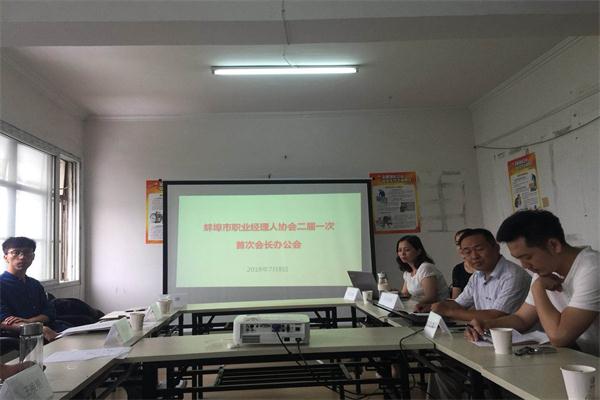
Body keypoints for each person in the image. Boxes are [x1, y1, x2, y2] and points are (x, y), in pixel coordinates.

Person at [467, 210, 599, 356]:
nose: (524, 265)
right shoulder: (545, 269)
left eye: (528, 257)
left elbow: (559, 337)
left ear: (554, 245)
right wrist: (486, 325)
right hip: (584, 358)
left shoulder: (592, 268)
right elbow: (522, 319)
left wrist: (538, 287)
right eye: (519, 259)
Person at [425, 228, 531, 319]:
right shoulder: (477, 276)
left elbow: (496, 315)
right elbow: (459, 304)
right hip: (487, 332)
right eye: (467, 252)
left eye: (479, 249)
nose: (474, 256)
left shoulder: (513, 276)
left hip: (518, 335)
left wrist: (448, 312)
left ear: (496, 248)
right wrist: (431, 307)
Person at [1, 237, 63, 339]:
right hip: (19, 337)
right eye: (15, 252)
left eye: (26, 252)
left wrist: (29, 321)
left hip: (49, 329)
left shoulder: (35, 284)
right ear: (5, 257)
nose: (22, 257)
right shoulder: (2, 284)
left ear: (33, 257)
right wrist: (38, 328)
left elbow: (49, 313)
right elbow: (4, 321)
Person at [396, 235, 447, 311]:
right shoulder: (407, 272)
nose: (402, 253)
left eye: (407, 250)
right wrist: (394, 293)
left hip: (438, 309)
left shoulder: (425, 267)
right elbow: (405, 294)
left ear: (418, 251)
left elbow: (431, 297)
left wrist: (411, 304)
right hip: (420, 308)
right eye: (399, 250)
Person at [450, 229, 475, 299]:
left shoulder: (484, 268)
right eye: (458, 244)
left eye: (464, 243)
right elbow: (456, 299)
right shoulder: (458, 269)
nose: (461, 247)